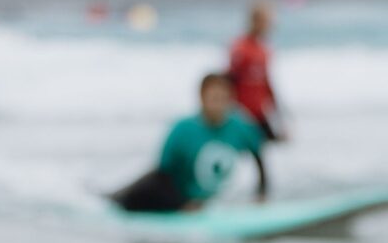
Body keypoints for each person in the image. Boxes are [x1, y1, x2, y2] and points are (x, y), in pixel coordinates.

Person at [109, 72, 269, 213]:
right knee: (127, 199)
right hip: (167, 192)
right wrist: (182, 205)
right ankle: (109, 200)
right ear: (201, 98)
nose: (218, 105)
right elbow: (162, 175)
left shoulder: (241, 126)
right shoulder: (182, 130)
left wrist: (261, 194)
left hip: (199, 200)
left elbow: (259, 156)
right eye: (213, 98)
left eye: (223, 99)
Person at [227, 0, 287, 142]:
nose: (270, 26)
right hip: (240, 113)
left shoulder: (264, 50)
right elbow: (229, 80)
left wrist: (276, 108)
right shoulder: (240, 48)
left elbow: (266, 82)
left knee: (266, 146)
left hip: (259, 111)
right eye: (267, 21)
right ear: (254, 21)